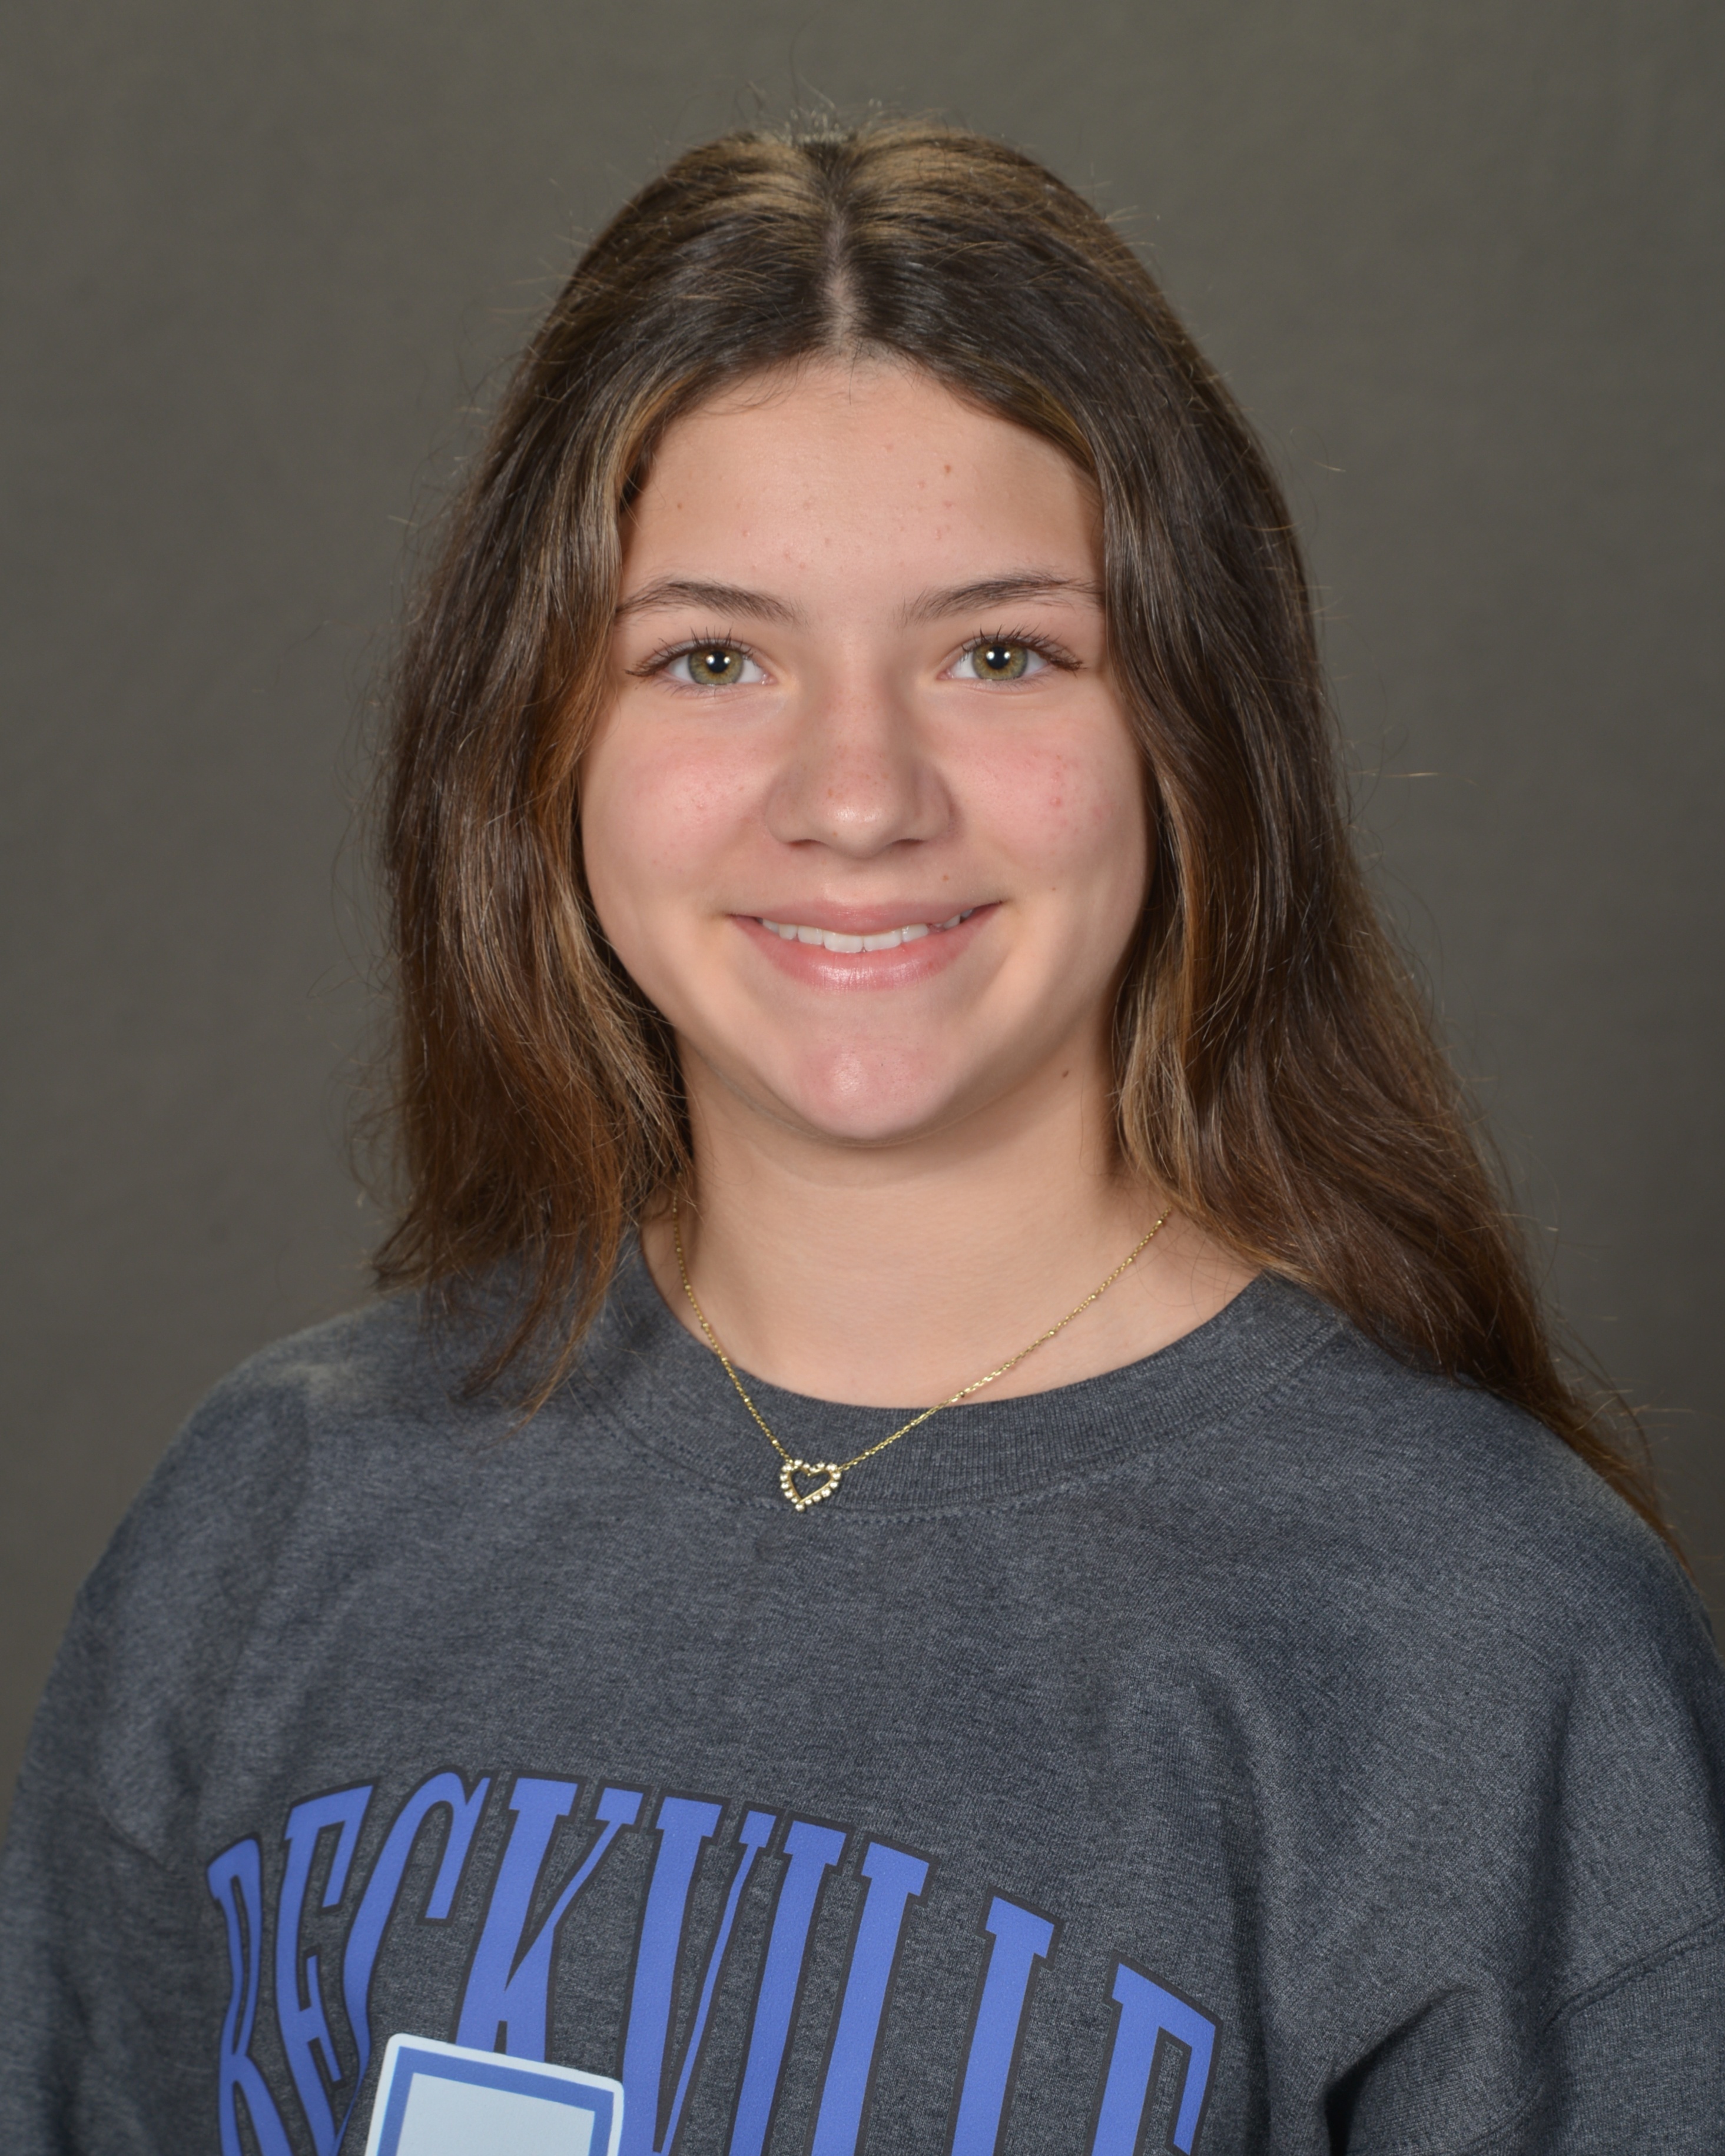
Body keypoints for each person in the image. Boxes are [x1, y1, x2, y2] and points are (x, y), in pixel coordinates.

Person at [2, 119, 1721, 2156]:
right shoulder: (277, 1514)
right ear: (539, 739)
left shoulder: (1486, 1644)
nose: (854, 795)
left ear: (1191, 732)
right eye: (711, 657)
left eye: (999, 653)